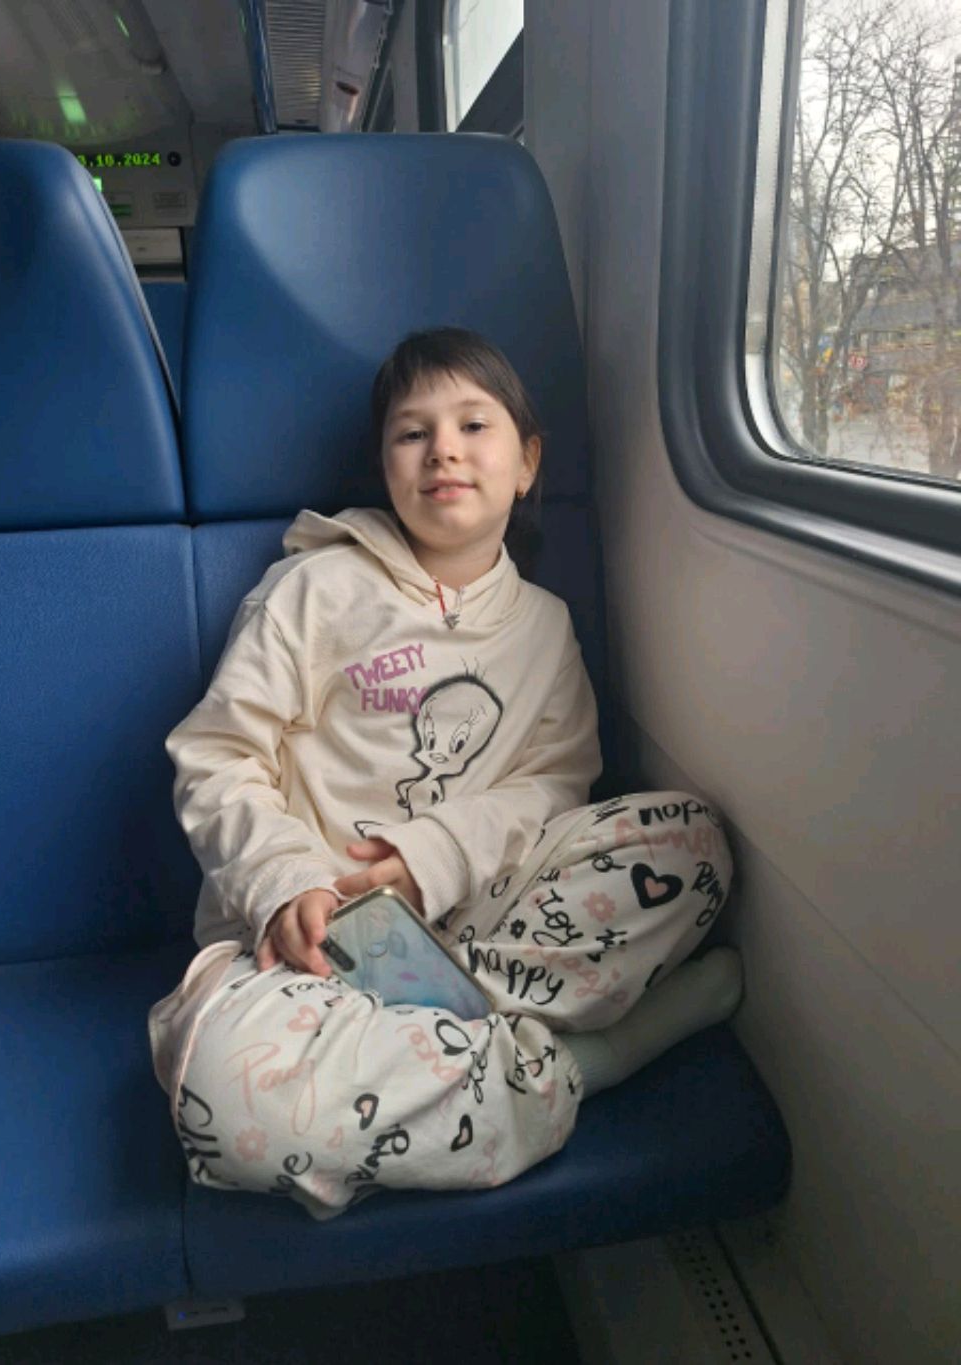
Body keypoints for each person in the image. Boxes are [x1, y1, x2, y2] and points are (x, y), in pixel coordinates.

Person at [148, 327, 742, 1220]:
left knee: (691, 846)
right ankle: (580, 1063)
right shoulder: (313, 591)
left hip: (480, 926)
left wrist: (435, 856)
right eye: (412, 432)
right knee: (223, 1101)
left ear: (528, 462)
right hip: (309, 952)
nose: (444, 451)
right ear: (385, 466)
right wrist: (286, 881)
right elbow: (217, 755)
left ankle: (434, 1042)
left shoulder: (545, 626)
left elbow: (554, 786)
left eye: (473, 424)